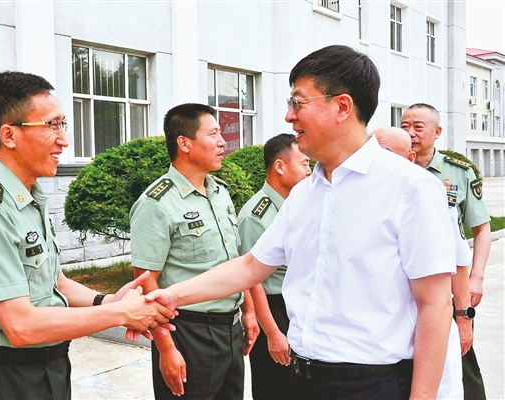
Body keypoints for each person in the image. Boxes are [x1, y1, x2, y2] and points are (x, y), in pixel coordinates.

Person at [146, 45, 456, 400]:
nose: (288, 116)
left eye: (297, 103)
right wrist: (170, 295)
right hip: (302, 379)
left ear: (342, 107)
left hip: (372, 384)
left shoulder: (410, 188)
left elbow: (435, 304)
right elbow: (250, 266)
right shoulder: (305, 194)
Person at [0, 71, 174, 400]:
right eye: (51, 125)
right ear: (9, 135)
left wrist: (107, 300)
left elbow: (54, 282)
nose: (64, 140)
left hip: (49, 370)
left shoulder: (29, 198)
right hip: (2, 379)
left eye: (62, 125)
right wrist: (120, 314)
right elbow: (20, 326)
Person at [129, 103, 258, 399]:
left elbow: (236, 260)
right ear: (184, 143)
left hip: (230, 329)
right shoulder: (156, 203)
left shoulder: (220, 192)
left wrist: (249, 312)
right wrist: (166, 348)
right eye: (213, 134)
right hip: (188, 333)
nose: (223, 142)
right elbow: (145, 283)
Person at [373, 126, 471, 400]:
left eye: (387, 153)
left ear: (410, 159)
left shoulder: (430, 197)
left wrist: (463, 319)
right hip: (383, 337)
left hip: (430, 327)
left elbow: (458, 265)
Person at [401, 104, 491, 400]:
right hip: (406, 289)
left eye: (418, 126)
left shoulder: (458, 172)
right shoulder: (394, 168)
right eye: (404, 126)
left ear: (437, 132)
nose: (410, 133)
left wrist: (476, 278)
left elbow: (481, 229)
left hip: (451, 286)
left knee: (460, 359)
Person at [237, 133, 311, 400]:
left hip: (297, 306)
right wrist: (273, 333)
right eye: (304, 163)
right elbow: (251, 280)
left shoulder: (299, 204)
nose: (309, 170)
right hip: (273, 311)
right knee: (275, 388)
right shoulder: (255, 216)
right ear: (280, 166)